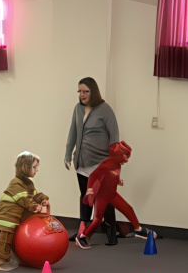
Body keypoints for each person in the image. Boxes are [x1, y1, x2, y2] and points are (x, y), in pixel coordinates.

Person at [64, 77, 120, 245]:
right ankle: (83, 230)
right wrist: (68, 155)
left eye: (85, 91)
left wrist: (113, 162)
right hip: (82, 162)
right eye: (79, 91)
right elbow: (72, 133)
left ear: (93, 91)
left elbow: (114, 138)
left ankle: (112, 232)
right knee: (85, 197)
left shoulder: (105, 110)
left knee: (103, 198)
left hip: (100, 163)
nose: (82, 95)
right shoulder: (78, 109)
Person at [75, 141, 157, 249]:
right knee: (98, 219)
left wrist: (118, 181)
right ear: (118, 155)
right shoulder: (106, 164)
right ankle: (83, 236)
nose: (127, 159)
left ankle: (138, 229)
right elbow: (92, 177)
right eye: (125, 156)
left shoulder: (118, 164)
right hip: (102, 196)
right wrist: (90, 190)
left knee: (128, 208)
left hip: (112, 194)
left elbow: (114, 175)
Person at [0, 151, 49, 271]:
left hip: (18, 217)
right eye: (34, 167)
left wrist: (41, 198)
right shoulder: (15, 183)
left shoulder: (29, 183)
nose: (37, 170)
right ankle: (2, 261)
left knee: (13, 239)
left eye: (37, 167)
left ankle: (12, 257)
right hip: (7, 218)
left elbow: (32, 196)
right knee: (6, 240)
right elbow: (23, 198)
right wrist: (34, 206)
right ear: (25, 167)